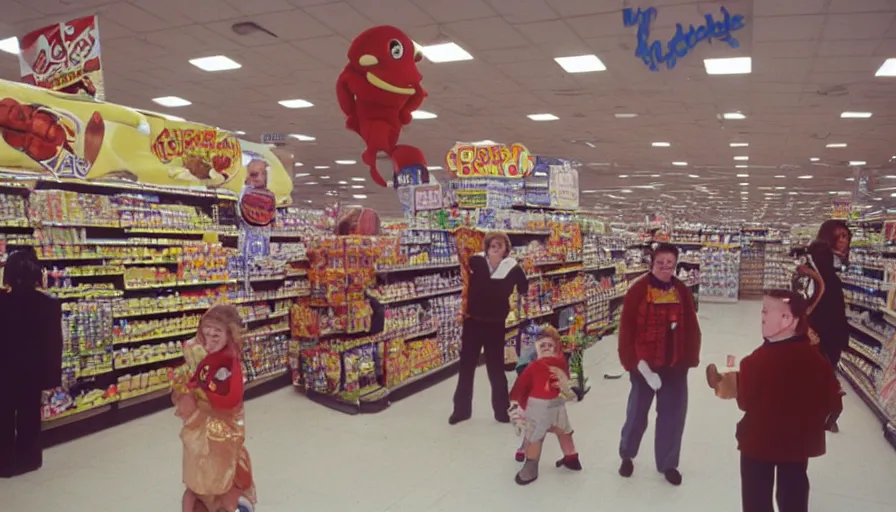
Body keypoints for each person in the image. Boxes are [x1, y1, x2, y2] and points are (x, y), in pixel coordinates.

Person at [735, 290, 842, 512]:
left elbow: (744, 402)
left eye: (766, 311)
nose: (762, 316)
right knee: (794, 493)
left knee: (756, 498)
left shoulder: (754, 362)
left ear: (787, 319)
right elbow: (832, 404)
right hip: (797, 443)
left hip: (758, 442)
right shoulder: (818, 362)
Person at [617, 243, 701, 486]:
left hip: (674, 365)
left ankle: (668, 463)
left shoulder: (682, 290)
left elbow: (691, 326)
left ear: (676, 264)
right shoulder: (638, 290)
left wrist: (690, 356)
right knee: (636, 413)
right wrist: (630, 361)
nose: (666, 267)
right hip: (644, 365)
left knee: (673, 416)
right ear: (652, 263)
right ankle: (627, 454)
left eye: (670, 263)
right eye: (661, 262)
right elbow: (627, 328)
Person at [171, 305, 256, 512]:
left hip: (222, 432)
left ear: (230, 334)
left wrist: (204, 394)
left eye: (216, 333)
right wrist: (185, 387)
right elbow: (196, 379)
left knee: (219, 473)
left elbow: (232, 400)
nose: (209, 338)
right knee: (198, 468)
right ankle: (204, 496)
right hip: (202, 427)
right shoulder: (207, 359)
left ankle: (220, 500)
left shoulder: (231, 364)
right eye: (206, 332)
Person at [449, 231, 528, 425]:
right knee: (466, 366)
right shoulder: (475, 262)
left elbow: (524, 287)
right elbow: (464, 280)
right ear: (486, 246)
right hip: (473, 321)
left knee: (496, 367)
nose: (495, 246)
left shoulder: (512, 267)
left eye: (500, 244)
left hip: (495, 324)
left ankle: (501, 411)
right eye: (492, 243)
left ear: (506, 249)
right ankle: (461, 410)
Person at [0, 248, 62, 478]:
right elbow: (54, 343)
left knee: (3, 414)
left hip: (3, 369)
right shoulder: (48, 304)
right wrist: (52, 377)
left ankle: (4, 462)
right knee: (29, 414)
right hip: (32, 370)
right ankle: (29, 459)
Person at [796, 219, 851, 432]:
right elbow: (818, 293)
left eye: (846, 236)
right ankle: (825, 413)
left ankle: (824, 413)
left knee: (821, 370)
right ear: (829, 236)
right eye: (840, 236)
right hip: (823, 327)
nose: (843, 241)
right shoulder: (822, 258)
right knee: (823, 369)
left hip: (826, 325)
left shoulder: (828, 259)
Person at [508, 326, 581, 485]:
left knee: (535, 436)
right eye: (543, 345)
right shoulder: (561, 363)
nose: (546, 348)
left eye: (549, 345)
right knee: (563, 430)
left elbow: (521, 386)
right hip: (557, 403)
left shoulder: (533, 367)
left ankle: (530, 468)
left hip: (538, 405)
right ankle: (572, 458)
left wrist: (516, 401)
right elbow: (567, 382)